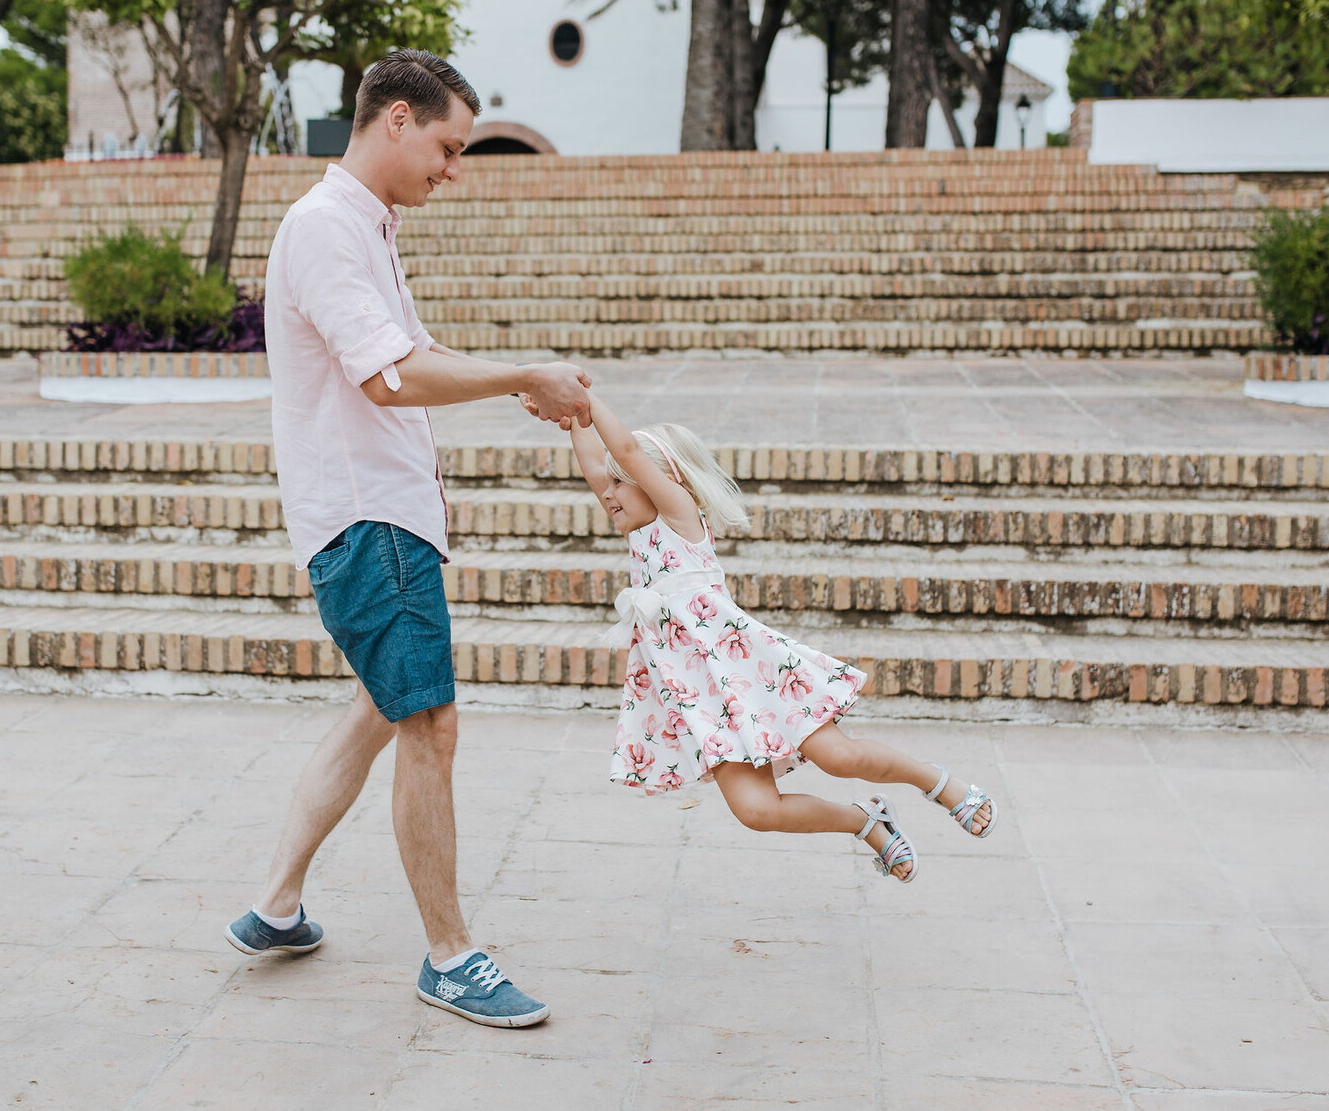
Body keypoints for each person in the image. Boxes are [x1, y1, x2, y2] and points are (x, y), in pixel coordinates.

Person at [224, 49, 590, 1028]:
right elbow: (390, 377)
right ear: (394, 119)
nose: (454, 169)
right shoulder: (327, 230)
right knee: (430, 724)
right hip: (368, 523)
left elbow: (404, 365)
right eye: (446, 146)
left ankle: (276, 906)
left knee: (381, 711)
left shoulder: (361, 228)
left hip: (379, 519)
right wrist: (525, 375)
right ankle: (449, 956)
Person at [551, 389, 997, 880]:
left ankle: (942, 783)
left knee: (839, 757)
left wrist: (583, 396)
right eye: (607, 485)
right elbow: (598, 466)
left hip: (751, 673)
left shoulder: (679, 519)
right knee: (757, 811)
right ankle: (866, 821)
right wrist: (571, 416)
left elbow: (627, 454)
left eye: (620, 483)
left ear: (664, 480)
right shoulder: (636, 534)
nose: (606, 492)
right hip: (702, 698)